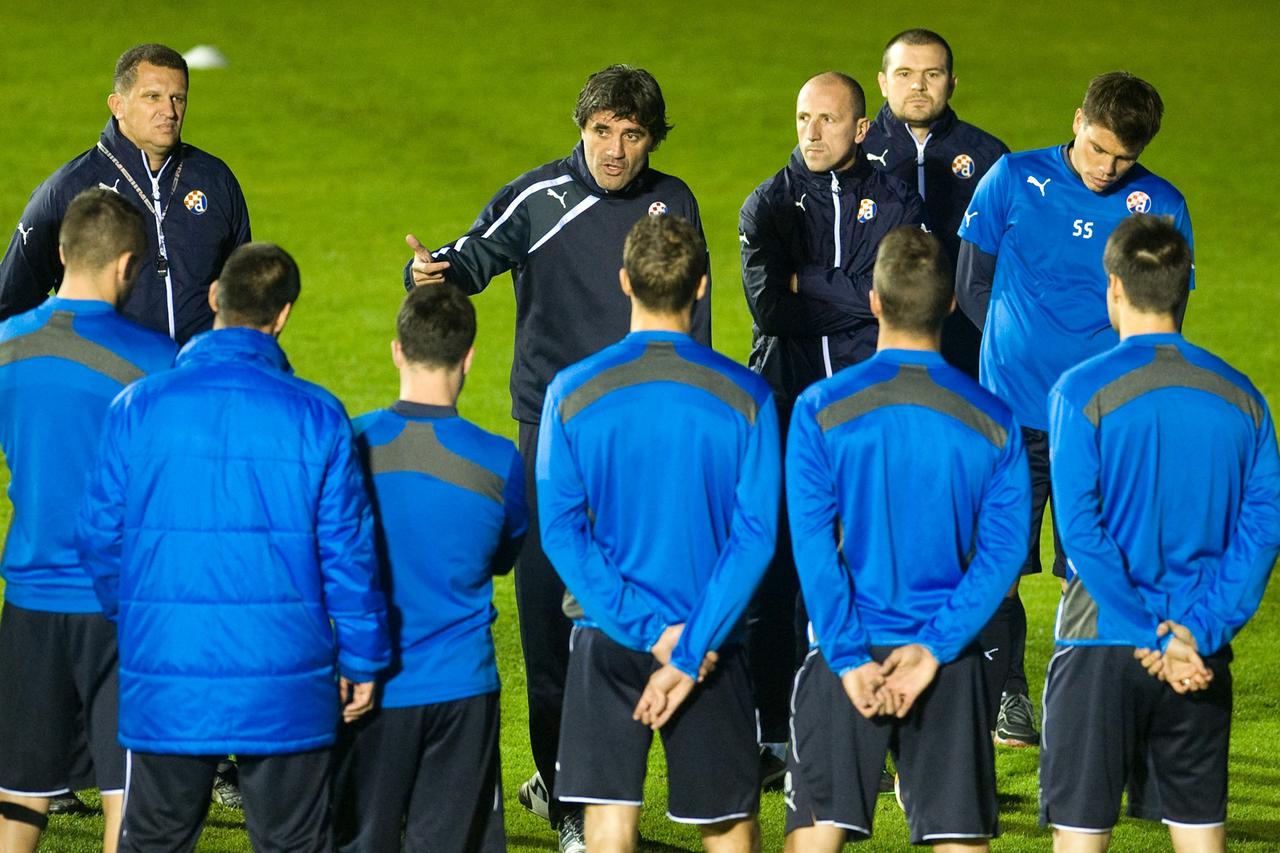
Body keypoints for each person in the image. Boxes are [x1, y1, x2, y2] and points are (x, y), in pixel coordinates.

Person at [403, 63, 709, 850]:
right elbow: (469, 257)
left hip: (647, 442)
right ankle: (571, 795)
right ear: (581, 130)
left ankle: (616, 777)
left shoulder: (675, 203)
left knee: (640, 612)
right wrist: (429, 270)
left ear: (651, 140)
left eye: (631, 134)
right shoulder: (539, 197)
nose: (614, 149)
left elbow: (694, 319)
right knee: (548, 620)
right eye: (601, 131)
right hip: (555, 439)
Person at [77, 242, 390, 852]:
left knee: (156, 840)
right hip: (286, 675)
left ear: (215, 297)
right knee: (294, 842)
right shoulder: (319, 416)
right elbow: (349, 555)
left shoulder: (138, 407)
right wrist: (363, 658)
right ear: (284, 315)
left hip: (169, 664)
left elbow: (97, 536)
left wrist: (140, 615)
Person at [955, 71, 1194, 747]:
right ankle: (1008, 697)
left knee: (1090, 568)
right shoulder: (1012, 177)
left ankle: (1079, 706)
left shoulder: (1161, 203)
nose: (1106, 169)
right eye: (1097, 149)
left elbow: (1166, 317)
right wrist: (1011, 353)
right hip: (1013, 413)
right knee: (999, 563)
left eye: (1122, 158)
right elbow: (972, 281)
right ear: (1078, 120)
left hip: (1103, 424)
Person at [782, 226, 1029, 853]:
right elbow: (1002, 555)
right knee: (957, 842)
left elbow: (812, 545)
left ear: (874, 301)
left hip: (848, 651)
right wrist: (931, 651)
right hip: (949, 661)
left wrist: (847, 656)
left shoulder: (822, 408)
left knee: (816, 839)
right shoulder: (994, 419)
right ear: (949, 304)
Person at [538, 215, 779, 853]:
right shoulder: (747, 395)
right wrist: (689, 641)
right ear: (701, 286)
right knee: (728, 825)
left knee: (609, 824)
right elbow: (755, 538)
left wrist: (648, 632)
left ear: (625, 282)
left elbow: (562, 533)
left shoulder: (571, 391)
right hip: (709, 642)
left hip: (607, 635)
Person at [1042, 215, 1280, 853]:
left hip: (1100, 642)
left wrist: (1148, 633)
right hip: (1200, 654)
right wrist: (1197, 634)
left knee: (1082, 838)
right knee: (1201, 839)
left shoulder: (1078, 391)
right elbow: (1261, 534)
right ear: (1185, 287)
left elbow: (1082, 535)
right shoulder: (1244, 398)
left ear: (1114, 287)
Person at [738, 71, 923, 777]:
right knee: (779, 570)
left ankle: (894, 729)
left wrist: (810, 281)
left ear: (861, 128)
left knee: (879, 564)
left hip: (869, 413)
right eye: (802, 117)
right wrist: (856, 293)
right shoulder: (768, 203)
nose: (811, 134)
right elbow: (771, 312)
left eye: (827, 120)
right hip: (786, 408)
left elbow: (896, 298)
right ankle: (774, 733)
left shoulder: (897, 198)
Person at [0, 189, 176, 853]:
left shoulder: (6, 345)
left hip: (29, 600)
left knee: (17, 792)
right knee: (126, 796)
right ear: (128, 265)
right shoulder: (156, 363)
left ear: (62, 252)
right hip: (122, 606)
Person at [334, 285, 527, 852]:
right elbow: (503, 557)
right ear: (468, 356)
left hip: (366, 687)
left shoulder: (350, 443)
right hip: (460, 689)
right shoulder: (499, 462)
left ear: (398, 350)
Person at [0, 43, 251, 344]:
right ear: (118, 105)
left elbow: (243, 290)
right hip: (109, 382)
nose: (169, 111)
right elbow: (11, 302)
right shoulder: (67, 190)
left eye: (178, 98)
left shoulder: (214, 179)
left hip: (196, 381)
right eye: (152, 97)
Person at [863, 28, 1008, 379]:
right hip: (873, 337)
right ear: (883, 82)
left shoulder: (990, 156)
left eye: (932, 74)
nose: (918, 85)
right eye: (904, 74)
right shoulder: (856, 153)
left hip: (966, 343)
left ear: (952, 82)